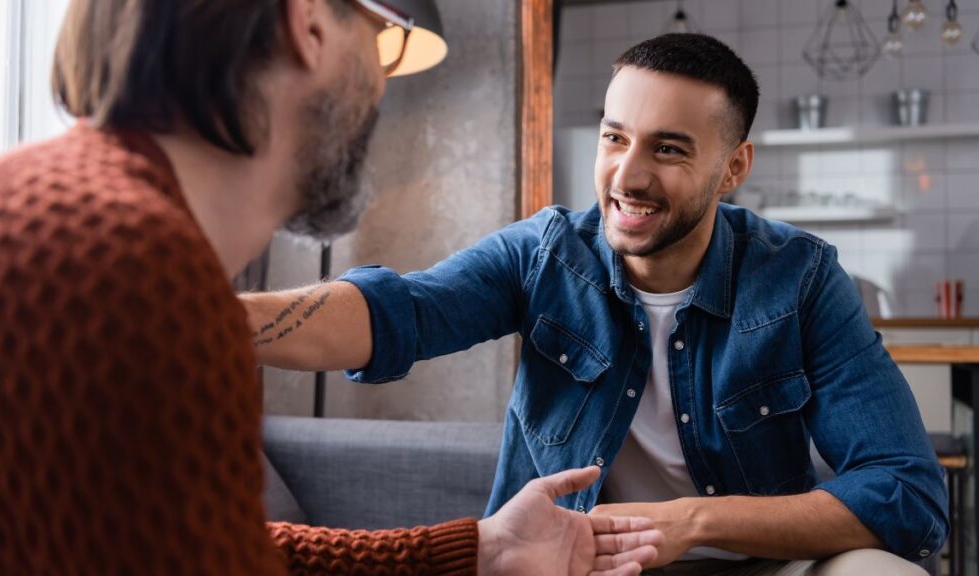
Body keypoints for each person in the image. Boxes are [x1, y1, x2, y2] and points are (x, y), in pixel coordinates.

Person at [0, 0, 665, 574]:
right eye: (384, 43)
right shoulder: (130, 270)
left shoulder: (38, 206)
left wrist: (479, 551)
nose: (383, 83)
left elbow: (217, 542)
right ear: (311, 25)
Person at [242, 34, 949, 575]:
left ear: (733, 168)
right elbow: (400, 313)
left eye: (668, 149)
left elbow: (908, 492)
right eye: (615, 138)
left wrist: (692, 522)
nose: (628, 176)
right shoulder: (545, 253)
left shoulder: (800, 278)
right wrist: (207, 316)